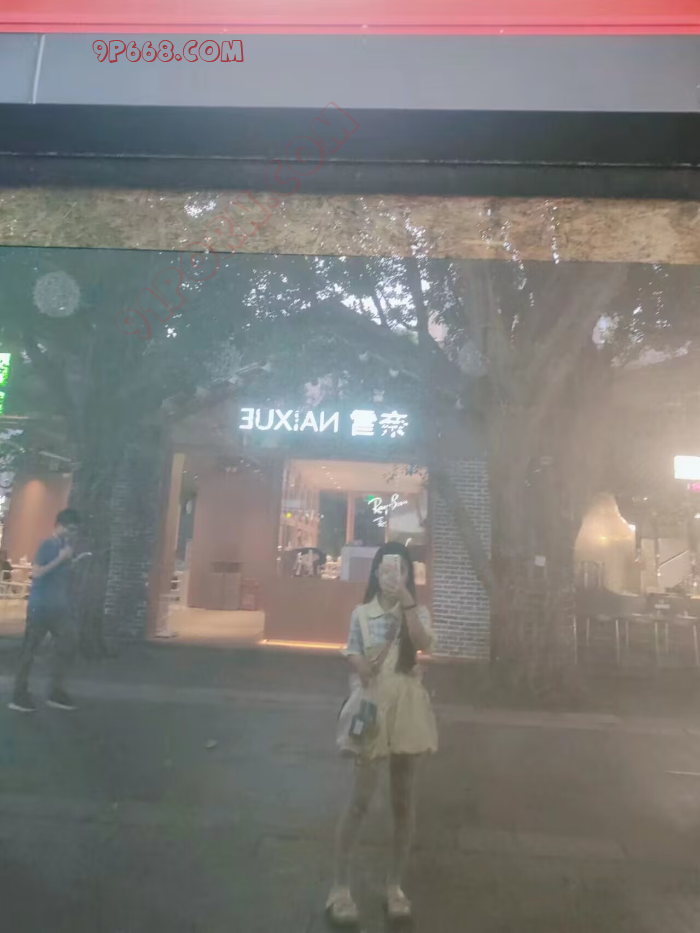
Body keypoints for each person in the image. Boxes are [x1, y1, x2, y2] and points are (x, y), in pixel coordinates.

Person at [327, 542, 438, 925]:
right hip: (372, 706)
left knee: (403, 801)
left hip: (407, 707)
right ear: (375, 573)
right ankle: (339, 887)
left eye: (401, 569)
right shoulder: (361, 613)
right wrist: (360, 665)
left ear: (408, 575)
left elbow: (423, 643)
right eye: (387, 569)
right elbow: (352, 650)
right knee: (359, 800)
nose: (393, 575)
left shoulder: (416, 611)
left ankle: (395, 886)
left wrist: (407, 602)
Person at [9, 508, 84, 713]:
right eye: (71, 529)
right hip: (40, 607)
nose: (73, 533)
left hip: (58, 607)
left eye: (76, 530)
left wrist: (71, 562)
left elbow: (60, 575)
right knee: (30, 650)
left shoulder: (64, 546)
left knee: (68, 645)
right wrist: (61, 559)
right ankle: (19, 694)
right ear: (59, 525)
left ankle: (55, 691)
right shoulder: (47, 545)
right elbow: (37, 573)